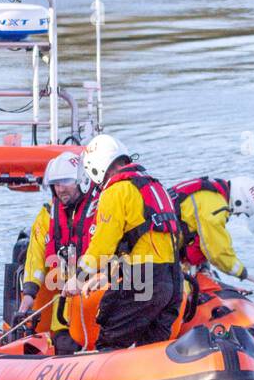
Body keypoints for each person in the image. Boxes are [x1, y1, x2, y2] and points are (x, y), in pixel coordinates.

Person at [65, 133, 182, 350]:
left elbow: (102, 245)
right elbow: (148, 242)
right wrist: (109, 276)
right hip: (173, 281)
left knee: (111, 334)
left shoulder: (116, 191)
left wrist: (79, 277)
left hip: (145, 279)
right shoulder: (154, 187)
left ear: (95, 168)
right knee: (153, 346)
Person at [14, 151, 96, 354]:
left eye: (65, 182)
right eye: (56, 184)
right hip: (64, 308)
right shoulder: (46, 216)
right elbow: (35, 257)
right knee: (64, 345)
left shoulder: (99, 209)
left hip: (94, 298)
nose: (60, 189)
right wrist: (29, 294)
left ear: (81, 180)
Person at [169, 175, 254, 285]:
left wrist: (203, 266)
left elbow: (199, 234)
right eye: (240, 212)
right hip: (158, 247)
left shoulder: (210, 191)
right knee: (156, 293)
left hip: (160, 240)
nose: (237, 215)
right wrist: (242, 273)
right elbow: (217, 251)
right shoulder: (216, 207)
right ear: (239, 202)